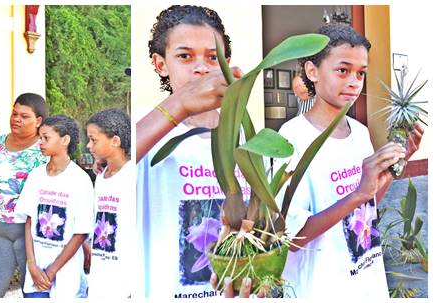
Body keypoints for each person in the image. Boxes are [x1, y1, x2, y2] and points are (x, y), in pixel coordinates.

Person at [275, 23, 424, 298]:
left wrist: (395, 167)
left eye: (361, 73)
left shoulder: (359, 132)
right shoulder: (290, 138)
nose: (354, 81)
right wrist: (357, 194)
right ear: (312, 71)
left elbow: (367, 204)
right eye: (343, 70)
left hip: (365, 280)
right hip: (321, 288)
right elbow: (291, 238)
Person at [136, 5, 250, 298]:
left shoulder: (246, 137)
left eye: (213, 58)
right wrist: (181, 104)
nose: (201, 68)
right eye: (185, 56)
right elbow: (116, 163)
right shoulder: (146, 133)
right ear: (160, 64)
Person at [0, 93, 50, 297]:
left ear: (38, 121)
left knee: (34, 294)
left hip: (32, 235)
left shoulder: (44, 149)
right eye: (14, 113)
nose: (16, 119)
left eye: (24, 116)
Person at [15, 115, 94, 298]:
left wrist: (52, 271)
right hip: (36, 275)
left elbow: (81, 232)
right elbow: (29, 221)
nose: (40, 142)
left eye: (46, 138)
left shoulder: (80, 180)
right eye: (39, 138)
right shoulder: (35, 176)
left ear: (65, 140)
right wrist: (32, 265)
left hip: (66, 275)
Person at [84, 109, 134, 298]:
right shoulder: (102, 176)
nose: (89, 145)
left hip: (125, 283)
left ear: (115, 141)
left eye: (94, 140)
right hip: (101, 277)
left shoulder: (132, 174)